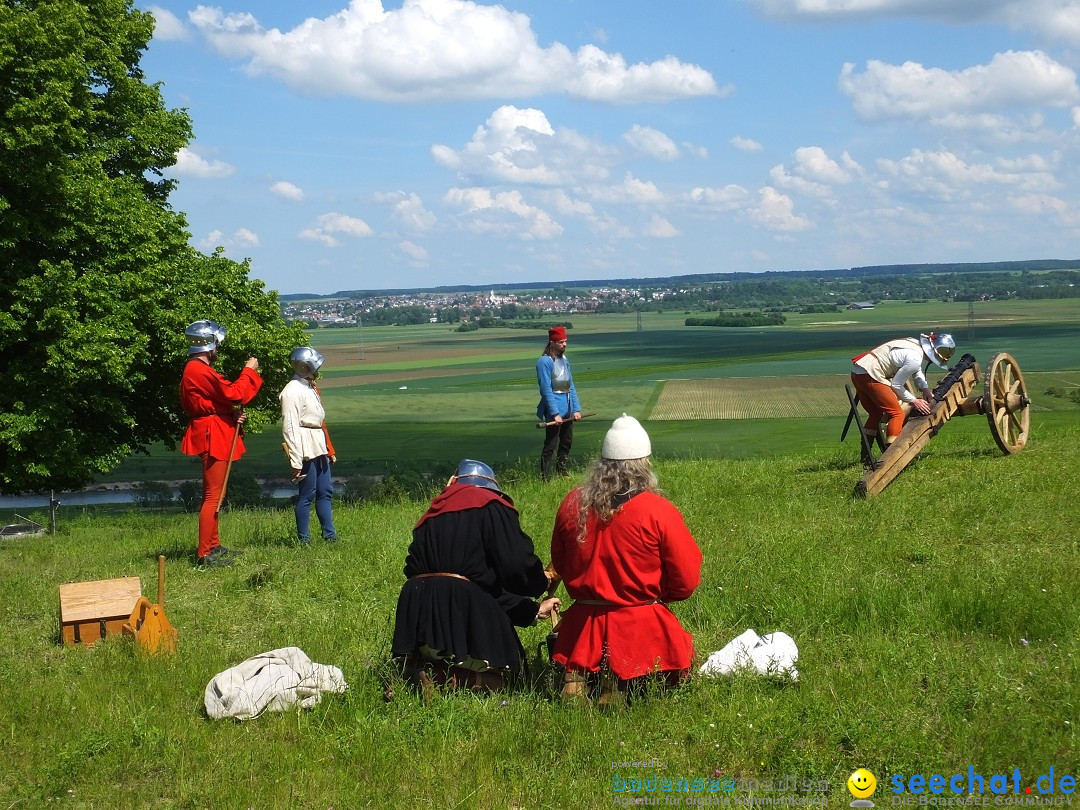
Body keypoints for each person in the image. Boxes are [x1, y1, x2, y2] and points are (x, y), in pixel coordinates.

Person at [550, 414, 702, 706]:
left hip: (582, 624)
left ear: (602, 465)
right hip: (638, 622)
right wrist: (656, 598)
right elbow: (686, 578)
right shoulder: (658, 510)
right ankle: (618, 679)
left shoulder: (573, 503)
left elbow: (561, 561)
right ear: (644, 464)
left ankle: (579, 674)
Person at [391, 459, 560, 693]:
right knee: (512, 680)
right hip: (460, 605)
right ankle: (441, 679)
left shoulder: (430, 516)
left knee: (438, 656)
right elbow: (515, 565)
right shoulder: (490, 505)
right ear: (490, 488)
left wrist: (532, 610)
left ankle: (415, 672)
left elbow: (477, 583)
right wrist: (540, 582)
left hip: (416, 607)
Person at [179, 320, 262, 568]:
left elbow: (214, 400)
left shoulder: (198, 369)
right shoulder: (198, 369)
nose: (218, 349)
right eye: (217, 344)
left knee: (217, 493)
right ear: (209, 343)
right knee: (213, 495)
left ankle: (213, 545)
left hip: (215, 428)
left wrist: (229, 415)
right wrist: (249, 371)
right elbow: (233, 393)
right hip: (211, 434)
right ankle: (205, 553)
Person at [850, 331, 956, 464]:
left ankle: (865, 458)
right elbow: (897, 385)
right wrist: (914, 401)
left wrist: (924, 389)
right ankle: (891, 457)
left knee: (875, 414)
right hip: (872, 374)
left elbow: (916, 371)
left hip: (858, 372)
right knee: (897, 413)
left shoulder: (914, 346)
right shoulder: (915, 358)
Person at [280, 346, 338, 545]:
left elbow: (319, 421)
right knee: (307, 494)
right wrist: (296, 460)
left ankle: (329, 536)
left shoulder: (309, 387)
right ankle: (304, 540)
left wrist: (328, 449)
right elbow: (290, 427)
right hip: (304, 446)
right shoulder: (291, 391)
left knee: (325, 491)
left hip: (317, 443)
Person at [536, 325, 582, 480]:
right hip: (554, 409)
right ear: (552, 343)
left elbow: (571, 385)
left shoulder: (564, 360)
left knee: (566, 442)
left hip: (568, 407)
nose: (564, 344)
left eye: (565, 341)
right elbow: (546, 390)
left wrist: (576, 409)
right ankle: (546, 477)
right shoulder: (544, 362)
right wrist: (555, 413)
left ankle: (561, 470)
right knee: (550, 445)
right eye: (561, 342)